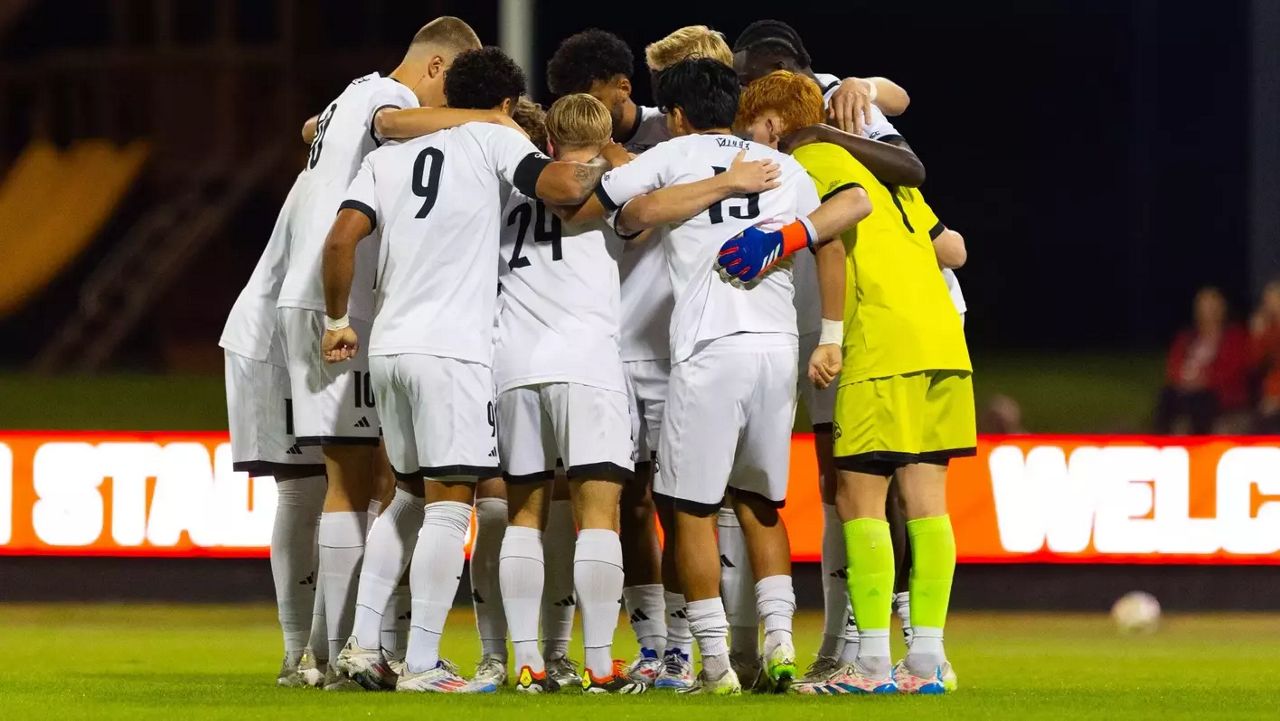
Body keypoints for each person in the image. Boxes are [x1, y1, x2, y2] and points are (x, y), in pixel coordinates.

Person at [319, 46, 619, 693]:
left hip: (390, 347)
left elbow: (341, 239)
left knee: (405, 495)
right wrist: (616, 170)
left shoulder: (388, 158)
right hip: (452, 349)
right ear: (506, 104)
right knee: (450, 506)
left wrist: (336, 320)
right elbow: (566, 188)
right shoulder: (494, 138)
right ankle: (423, 662)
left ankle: (362, 645)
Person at [595, 58, 870, 695]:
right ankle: (779, 652)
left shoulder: (675, 151)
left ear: (680, 114)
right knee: (761, 506)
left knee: (689, 510)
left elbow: (622, 207)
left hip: (709, 348)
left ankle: (715, 663)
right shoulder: (781, 165)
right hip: (776, 350)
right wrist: (825, 329)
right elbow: (841, 220)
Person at [232, 16, 483, 690]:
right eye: (451, 91)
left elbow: (313, 129)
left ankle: (321, 649)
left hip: (303, 295)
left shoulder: (355, 93)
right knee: (353, 478)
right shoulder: (393, 103)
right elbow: (399, 127)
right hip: (332, 299)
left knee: (345, 478)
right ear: (437, 70)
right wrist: (489, 121)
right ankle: (332, 650)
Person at [718, 70, 974, 695]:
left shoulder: (812, 156)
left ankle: (869, 663)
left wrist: (787, 240)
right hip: (942, 336)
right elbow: (952, 251)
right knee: (926, 503)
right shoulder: (890, 170)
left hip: (879, 337)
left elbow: (844, 210)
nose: (757, 146)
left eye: (755, 133)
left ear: (774, 123)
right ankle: (928, 660)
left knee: (858, 500)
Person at [219, 191, 327, 687]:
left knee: (343, 490)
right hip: (281, 341)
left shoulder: (341, 157)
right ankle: (300, 650)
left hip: (312, 335)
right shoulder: (346, 168)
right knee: (306, 491)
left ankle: (332, 646)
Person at [1155, 287, 1250, 435]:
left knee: (1199, 400)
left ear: (1223, 309)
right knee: (1167, 396)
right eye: (1204, 307)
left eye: (1213, 307)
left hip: (1216, 393)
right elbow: (1174, 365)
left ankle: (1199, 447)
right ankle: (1161, 443)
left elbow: (1233, 369)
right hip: (1186, 387)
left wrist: (1204, 380)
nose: (1208, 312)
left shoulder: (1234, 337)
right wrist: (1183, 380)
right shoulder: (1187, 337)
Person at [1250, 280, 1280, 433]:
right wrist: (1257, 336)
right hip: (1268, 397)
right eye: (1267, 301)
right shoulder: (1268, 331)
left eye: (1275, 299)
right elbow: (1256, 365)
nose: (1270, 305)